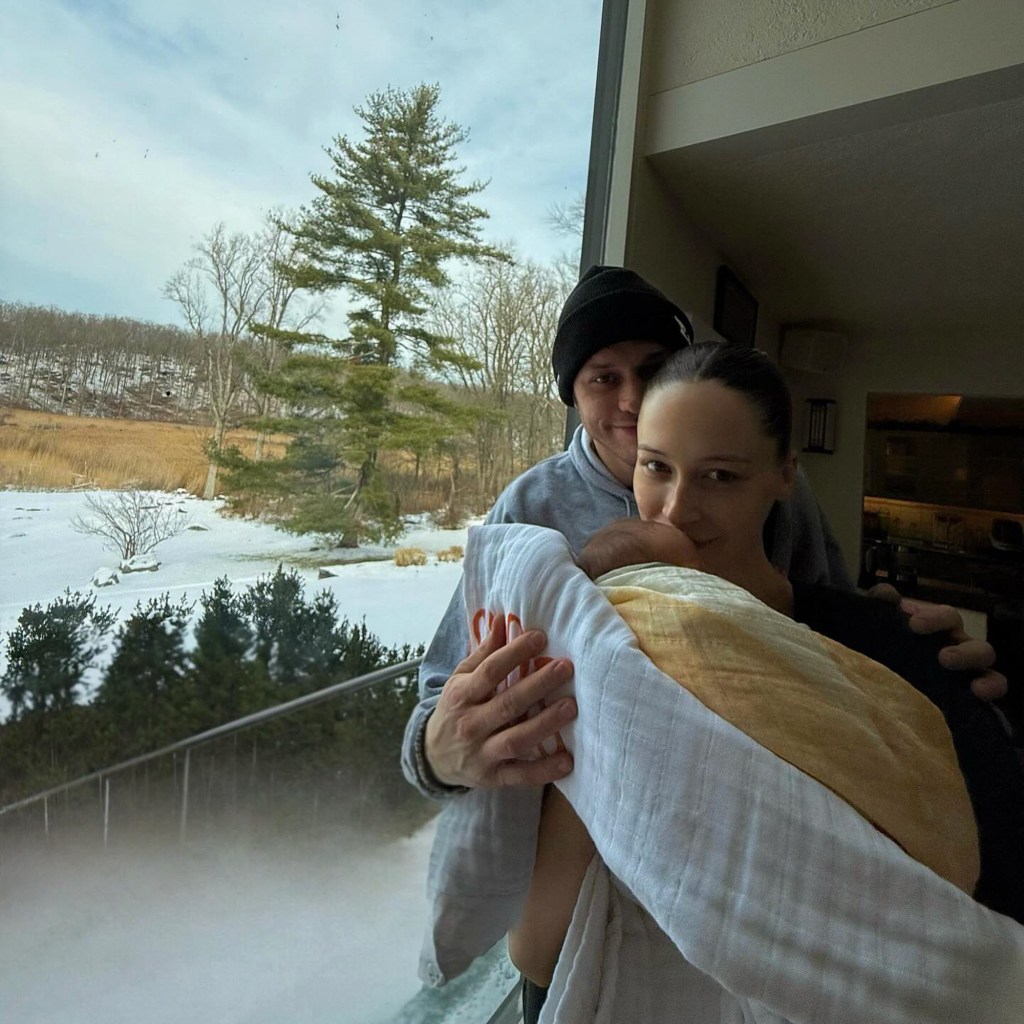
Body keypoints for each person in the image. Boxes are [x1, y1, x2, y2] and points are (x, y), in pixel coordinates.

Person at [503, 343, 1021, 1018]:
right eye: (656, 467)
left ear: (784, 475)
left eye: (720, 476)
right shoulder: (600, 647)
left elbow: (992, 881)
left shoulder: (896, 646)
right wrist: (614, 697)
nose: (677, 509)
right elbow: (538, 951)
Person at [401, 265, 1005, 800]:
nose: (632, 400)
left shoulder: (781, 493)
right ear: (573, 396)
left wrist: (917, 654)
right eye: (603, 378)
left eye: (652, 370)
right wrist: (436, 757)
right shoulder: (530, 509)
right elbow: (443, 695)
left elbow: (826, 635)